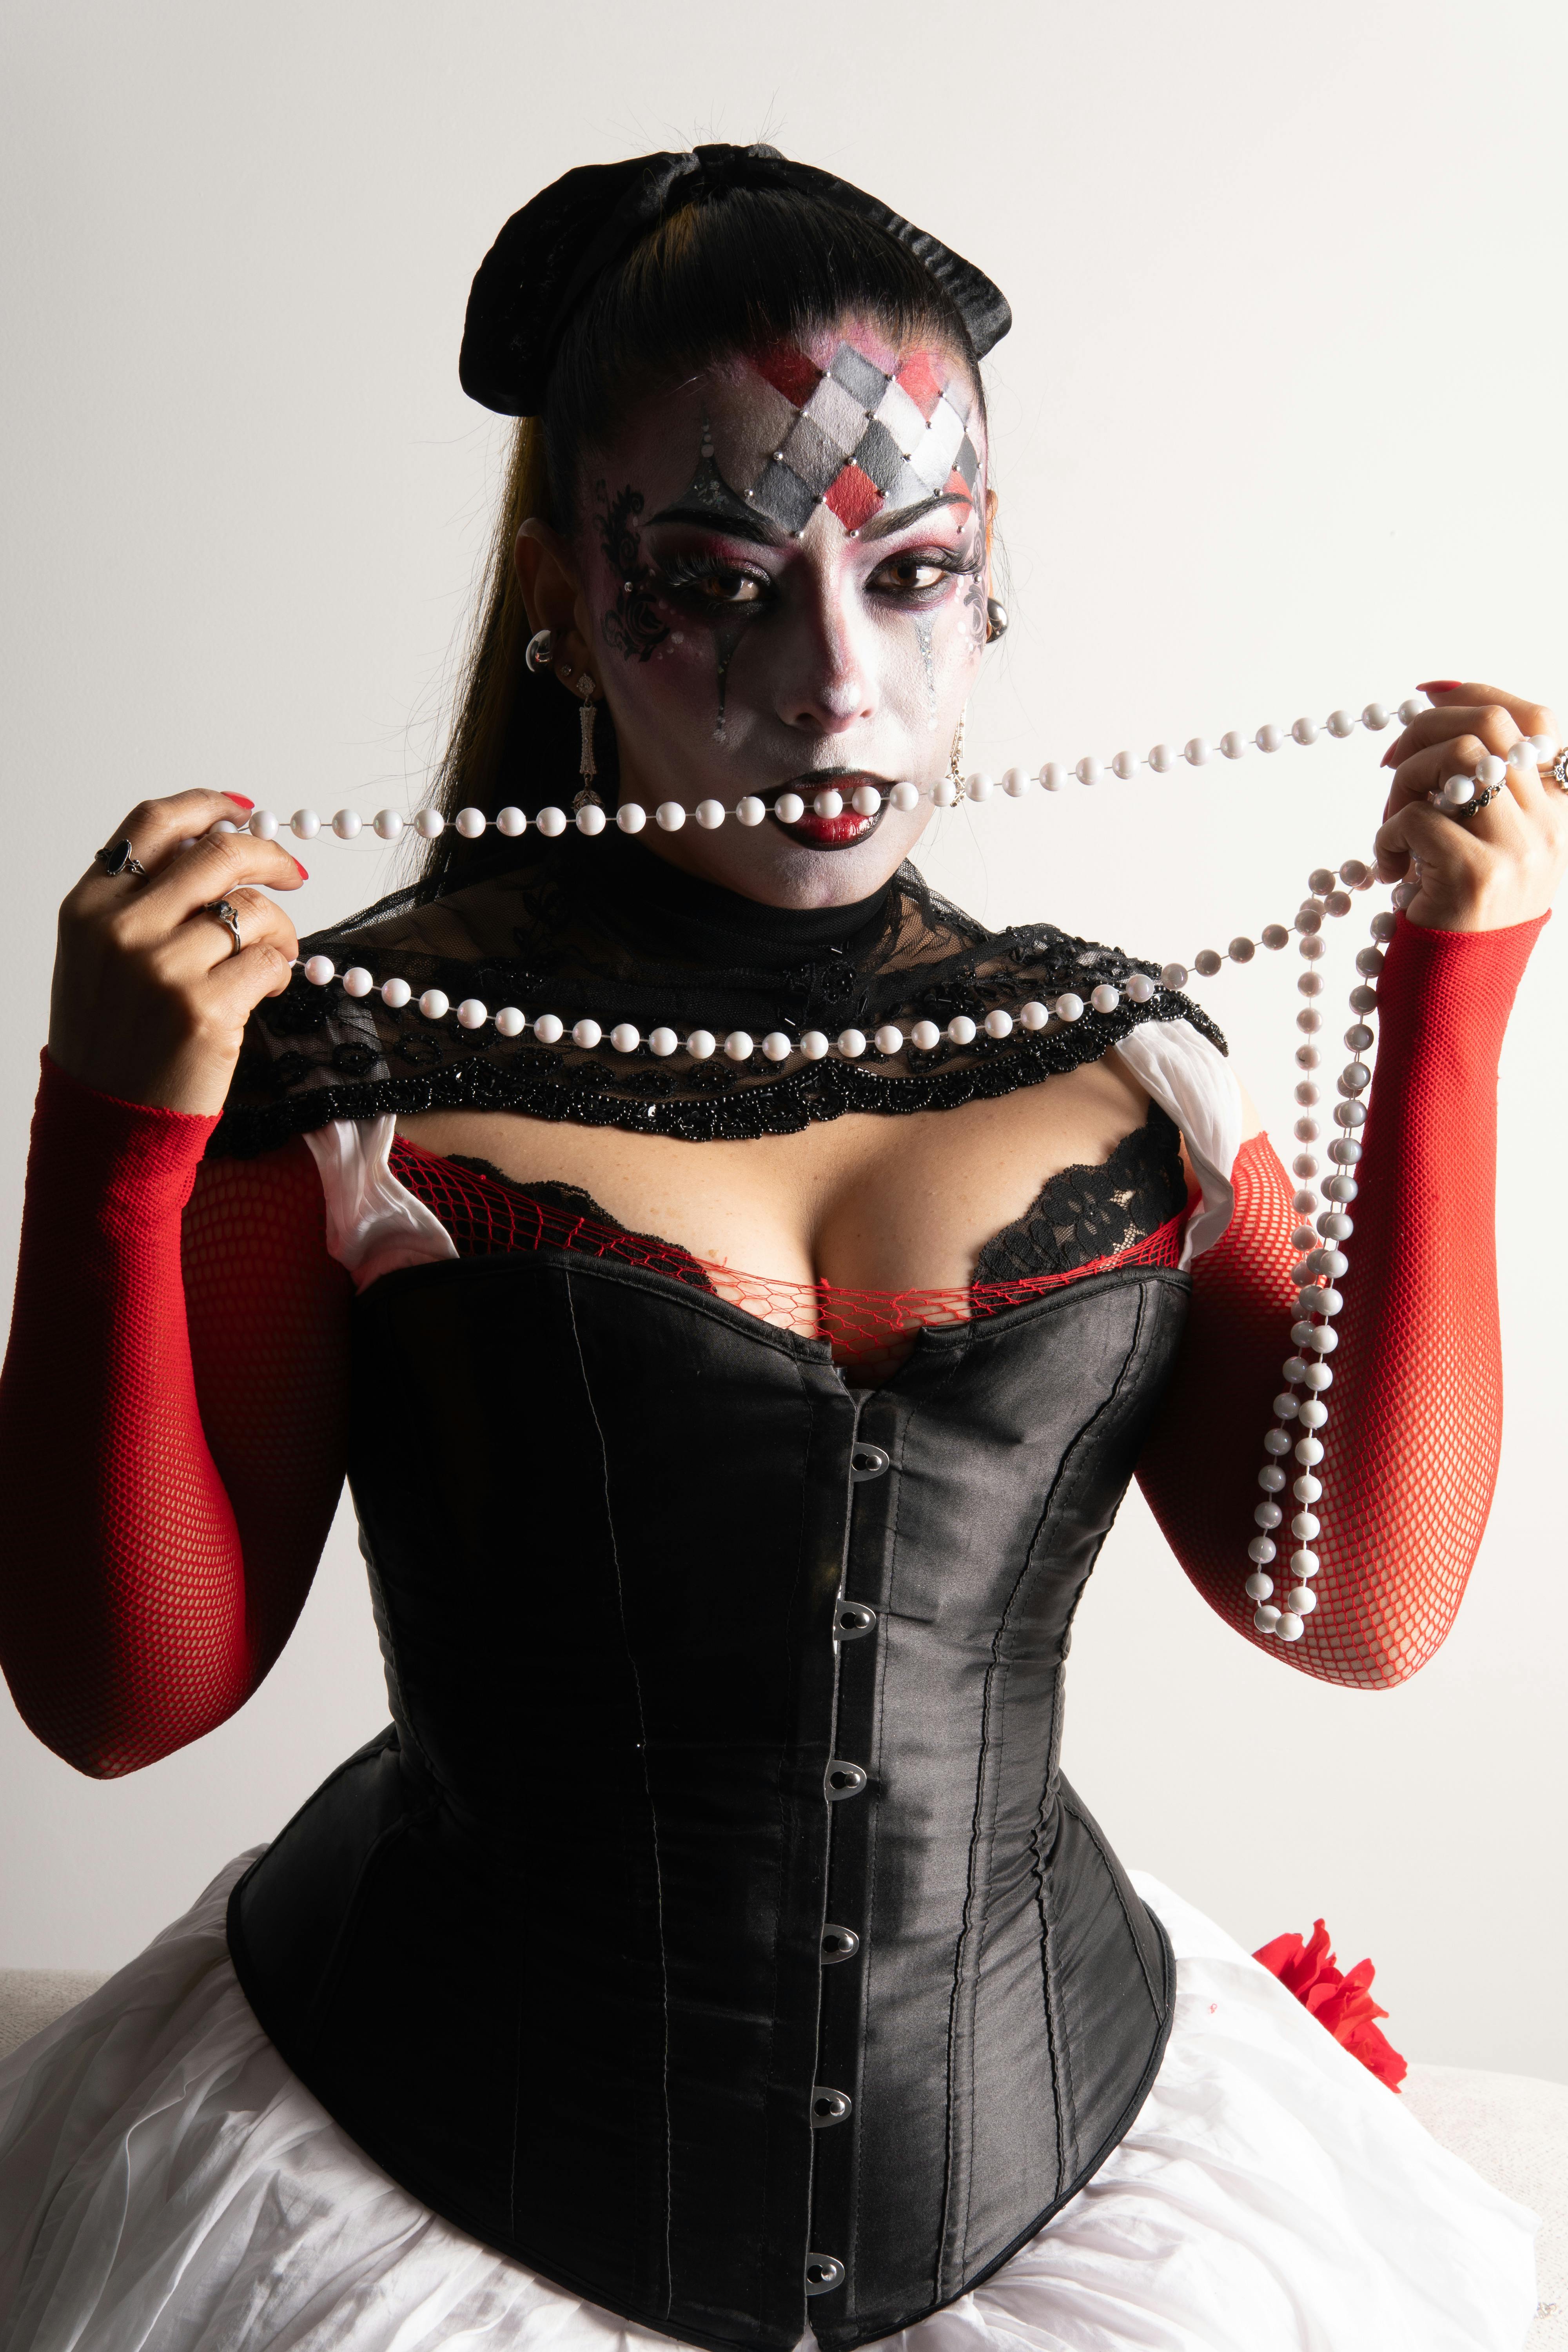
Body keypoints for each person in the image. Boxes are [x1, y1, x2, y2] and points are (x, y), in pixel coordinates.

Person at [0, 145, 1561, 2352]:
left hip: (1064, 2158)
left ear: (992, 581)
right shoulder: (355, 1060)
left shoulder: (1131, 1071)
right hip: (426, 2178)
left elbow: (1358, 1610)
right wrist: (114, 1139)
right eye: (721, 581)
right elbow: (119, 1698)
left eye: (914, 572)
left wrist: (1455, 1009)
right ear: (566, 595)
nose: (837, 684)